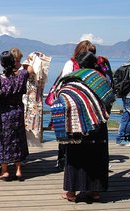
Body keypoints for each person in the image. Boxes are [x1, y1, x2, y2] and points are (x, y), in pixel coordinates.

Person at [55, 51, 113, 202]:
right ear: (94, 64)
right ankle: (94, 191)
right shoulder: (99, 78)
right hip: (97, 124)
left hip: (76, 125)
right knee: (96, 156)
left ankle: (71, 193)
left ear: (78, 64)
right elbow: (109, 98)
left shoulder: (70, 78)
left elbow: (59, 96)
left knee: (75, 157)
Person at [52, 40, 97, 170]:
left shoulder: (93, 66)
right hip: (71, 105)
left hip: (86, 107)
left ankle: (80, 159)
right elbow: (63, 84)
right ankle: (63, 158)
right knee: (67, 131)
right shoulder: (70, 64)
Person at [0, 50, 29, 181]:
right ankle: (18, 170)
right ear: (14, 62)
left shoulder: (0, 78)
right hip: (18, 110)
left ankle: (5, 171)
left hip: (3, 113)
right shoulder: (22, 75)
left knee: (3, 140)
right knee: (17, 139)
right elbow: (30, 68)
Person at [115, 48, 130, 146]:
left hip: (126, 95)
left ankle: (120, 138)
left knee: (126, 117)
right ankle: (124, 137)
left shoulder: (127, 65)